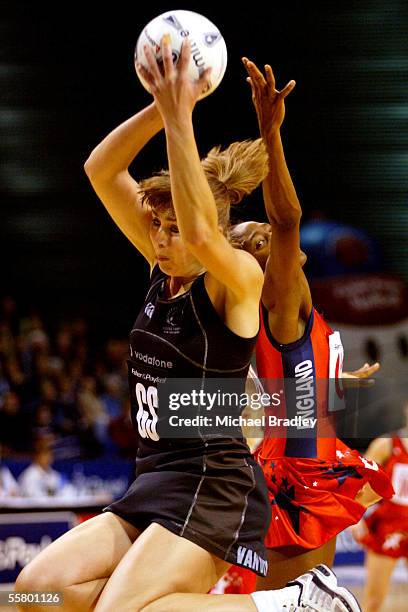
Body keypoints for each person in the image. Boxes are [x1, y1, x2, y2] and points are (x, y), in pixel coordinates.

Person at [15, 37, 363, 612]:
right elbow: (100, 169)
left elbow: (205, 232)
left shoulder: (235, 280)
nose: (159, 238)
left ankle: (297, 602)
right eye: (155, 225)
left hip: (215, 485)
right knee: (38, 593)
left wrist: (183, 113)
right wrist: (159, 104)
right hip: (154, 479)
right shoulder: (162, 266)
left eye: (172, 227)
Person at [225, 58, 393, 592]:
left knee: (300, 598)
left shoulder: (294, 309)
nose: (272, 241)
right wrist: (270, 134)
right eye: (259, 240)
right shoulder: (278, 297)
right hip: (296, 462)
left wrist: (336, 381)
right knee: (293, 600)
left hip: (306, 449)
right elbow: (286, 220)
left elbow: (283, 384)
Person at [351, 402, 408, 612]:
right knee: (373, 602)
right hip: (388, 527)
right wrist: (355, 516)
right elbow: (358, 482)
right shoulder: (386, 444)